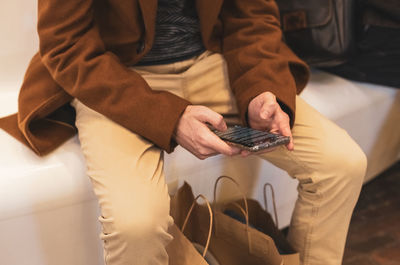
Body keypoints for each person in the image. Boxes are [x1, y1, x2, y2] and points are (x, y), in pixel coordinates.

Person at [0, 0, 367, 264]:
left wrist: (260, 90)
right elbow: (67, 47)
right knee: (136, 226)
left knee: (341, 164)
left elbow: (252, 14)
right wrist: (170, 118)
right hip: (116, 80)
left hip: (213, 61)